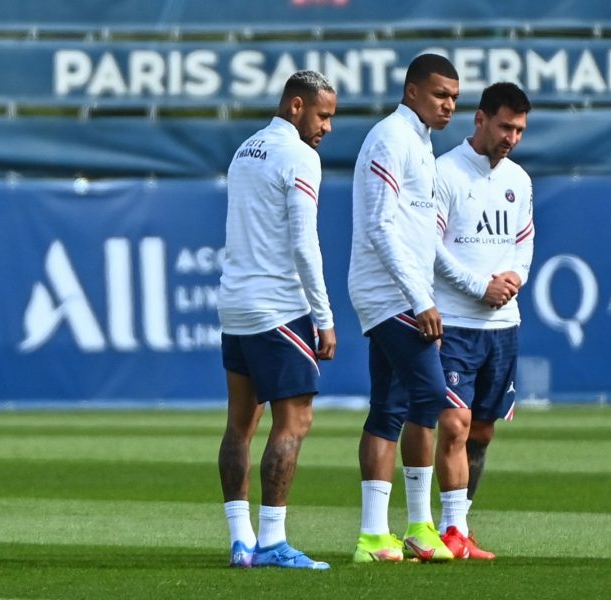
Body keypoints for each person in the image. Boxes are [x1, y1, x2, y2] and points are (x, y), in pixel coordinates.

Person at [217, 70, 338, 570]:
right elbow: (304, 245)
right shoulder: (300, 157)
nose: (327, 127)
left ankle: (240, 540)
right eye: (323, 114)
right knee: (295, 420)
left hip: (236, 305)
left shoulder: (245, 150)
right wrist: (324, 316)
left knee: (240, 424)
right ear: (295, 106)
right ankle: (272, 541)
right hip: (280, 308)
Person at [347, 53, 460, 563]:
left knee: (390, 408)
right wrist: (420, 300)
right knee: (432, 395)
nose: (449, 105)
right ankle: (419, 525)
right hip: (389, 294)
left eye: (455, 97)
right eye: (440, 94)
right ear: (412, 90)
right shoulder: (390, 137)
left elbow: (423, 238)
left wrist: (469, 282)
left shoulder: (420, 143)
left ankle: (375, 535)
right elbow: (378, 225)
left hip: (404, 292)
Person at [432, 82, 534, 559]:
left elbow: (524, 243)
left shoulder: (520, 180)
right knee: (454, 423)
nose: (511, 137)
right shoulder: (445, 173)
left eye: (518, 129)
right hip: (454, 322)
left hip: (503, 327)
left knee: (483, 432)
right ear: (480, 119)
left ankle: (461, 526)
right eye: (504, 126)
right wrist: (480, 287)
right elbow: (429, 250)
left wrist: (515, 276)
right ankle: (448, 530)